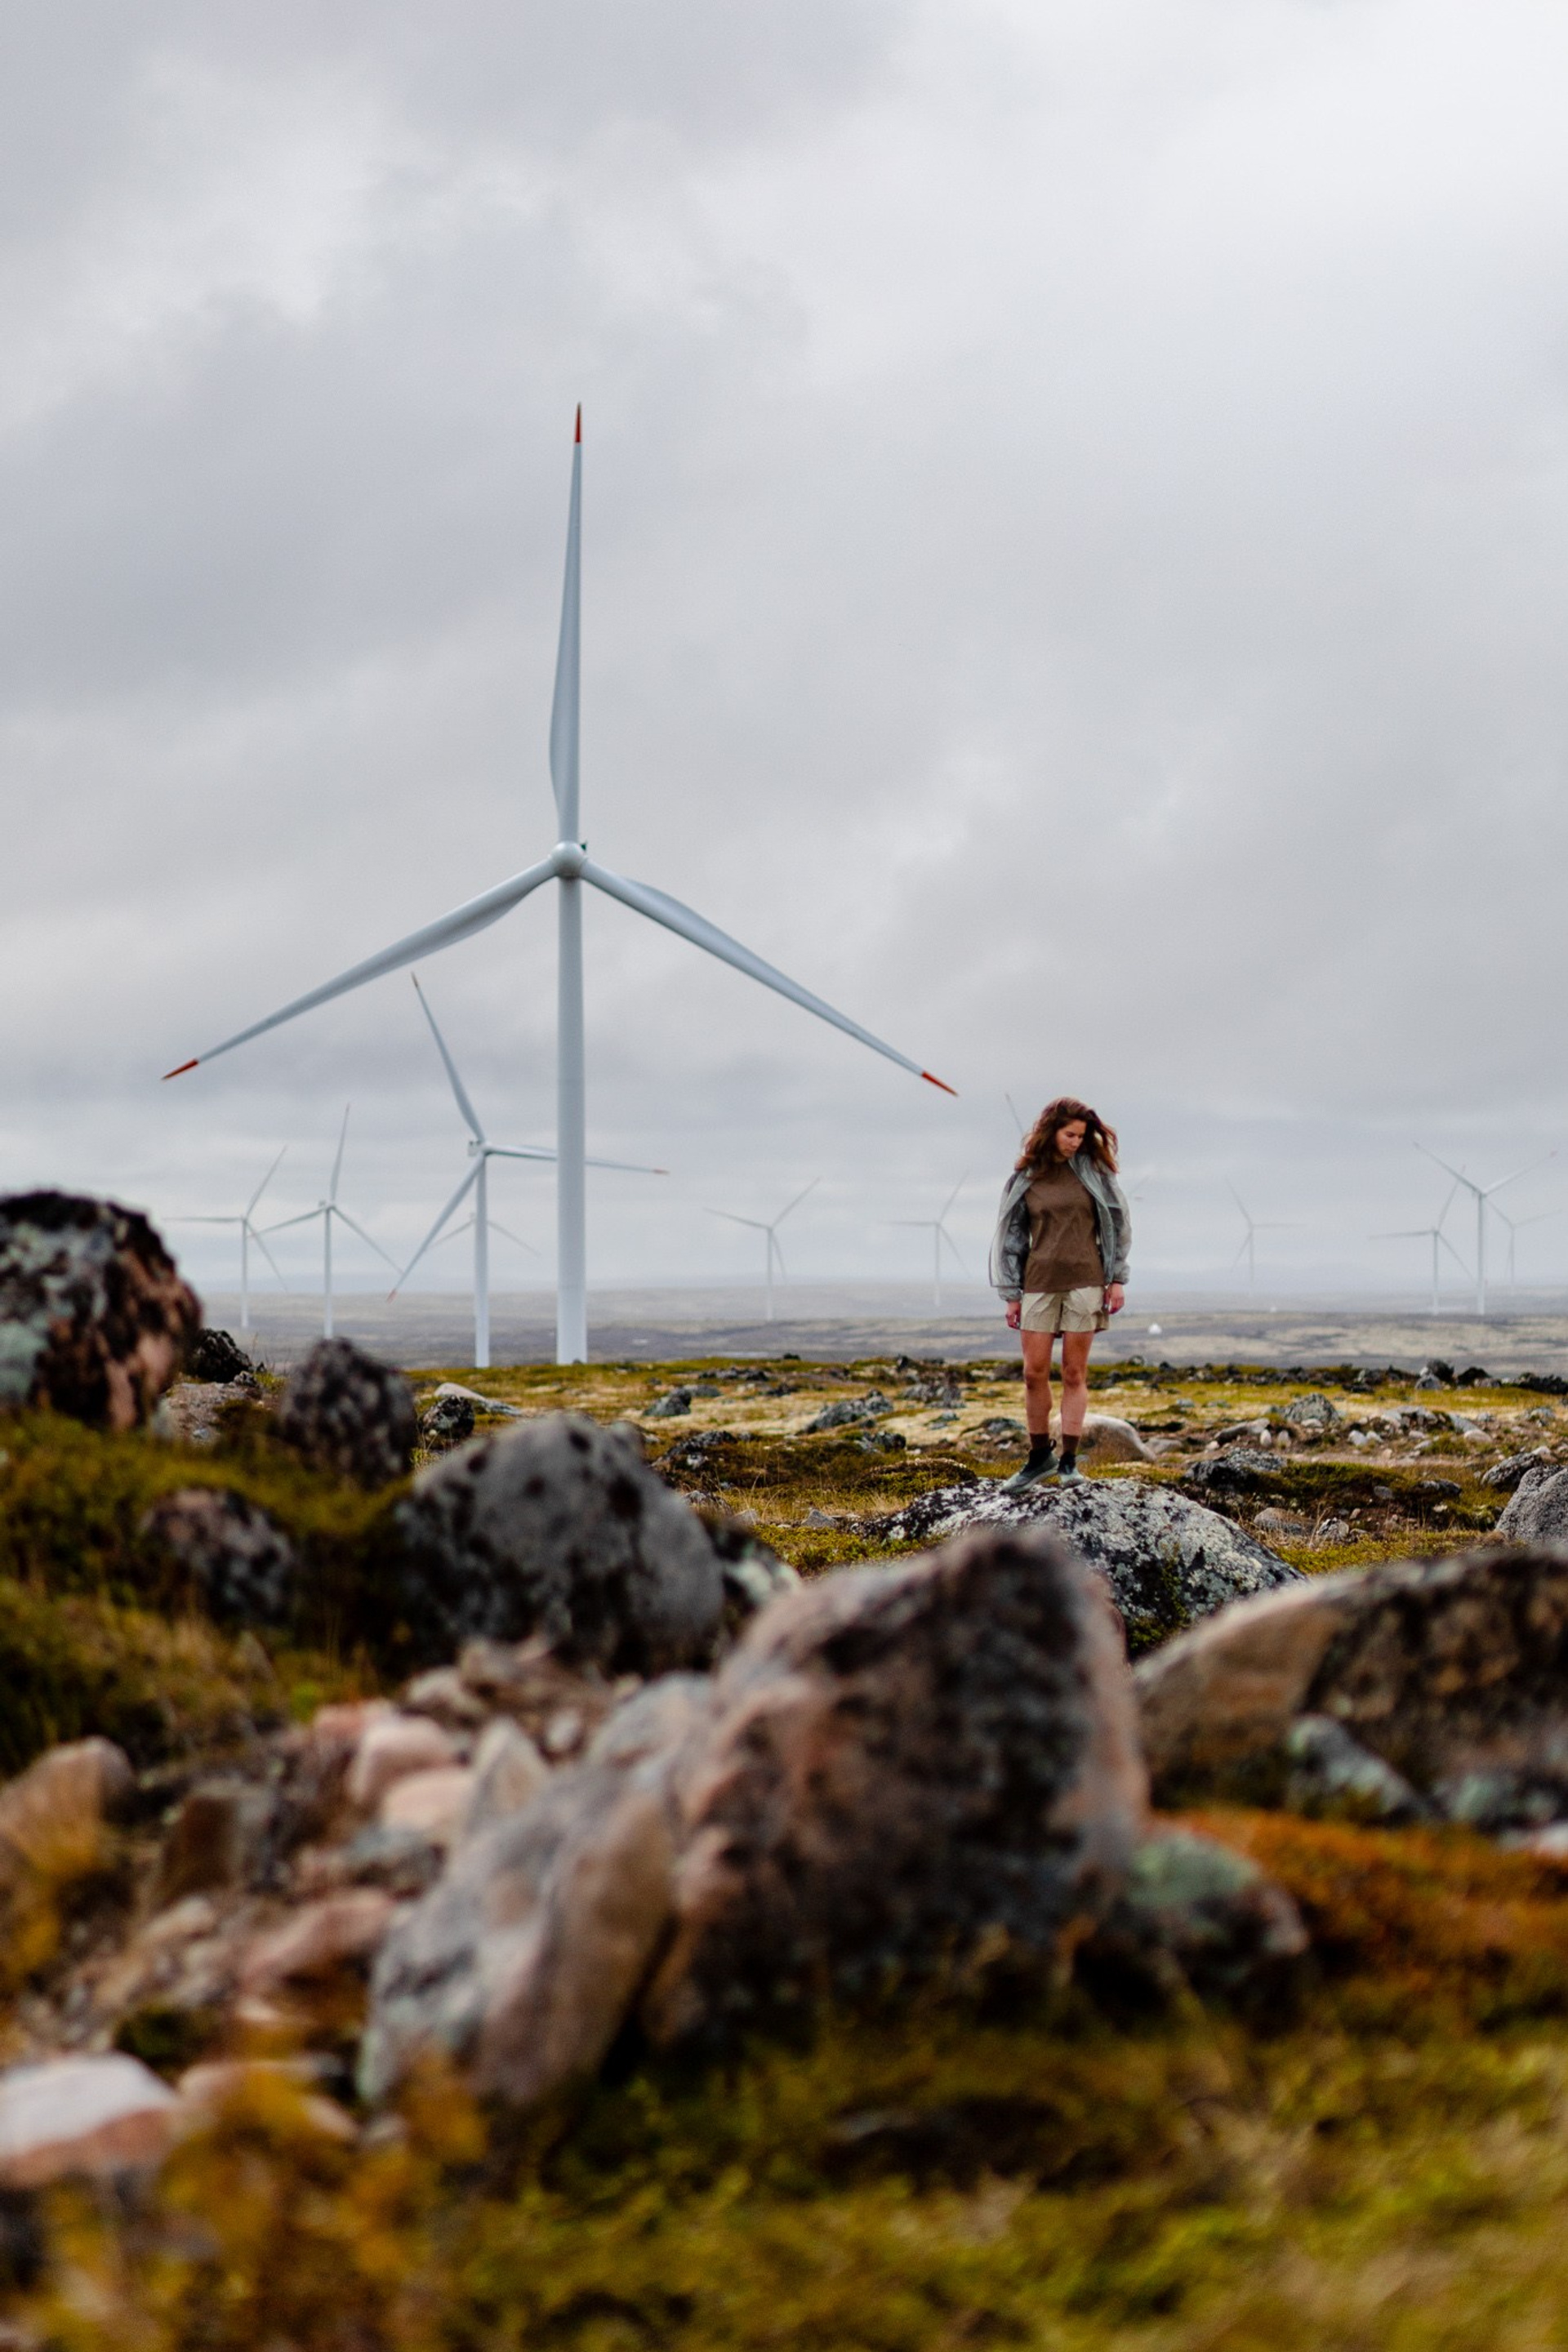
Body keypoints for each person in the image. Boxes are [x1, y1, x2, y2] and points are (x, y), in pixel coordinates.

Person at [989, 1095, 1130, 1487]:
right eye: (1070, 1135)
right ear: (1051, 1132)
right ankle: (1039, 1458)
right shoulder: (1026, 1178)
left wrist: (1118, 1278)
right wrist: (1011, 1293)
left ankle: (1069, 1462)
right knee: (1033, 1373)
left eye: (1082, 1136)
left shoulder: (1095, 1173)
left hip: (1087, 1282)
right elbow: (1012, 1237)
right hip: (1038, 1284)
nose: (1076, 1142)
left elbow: (1119, 1225)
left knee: (1073, 1372)